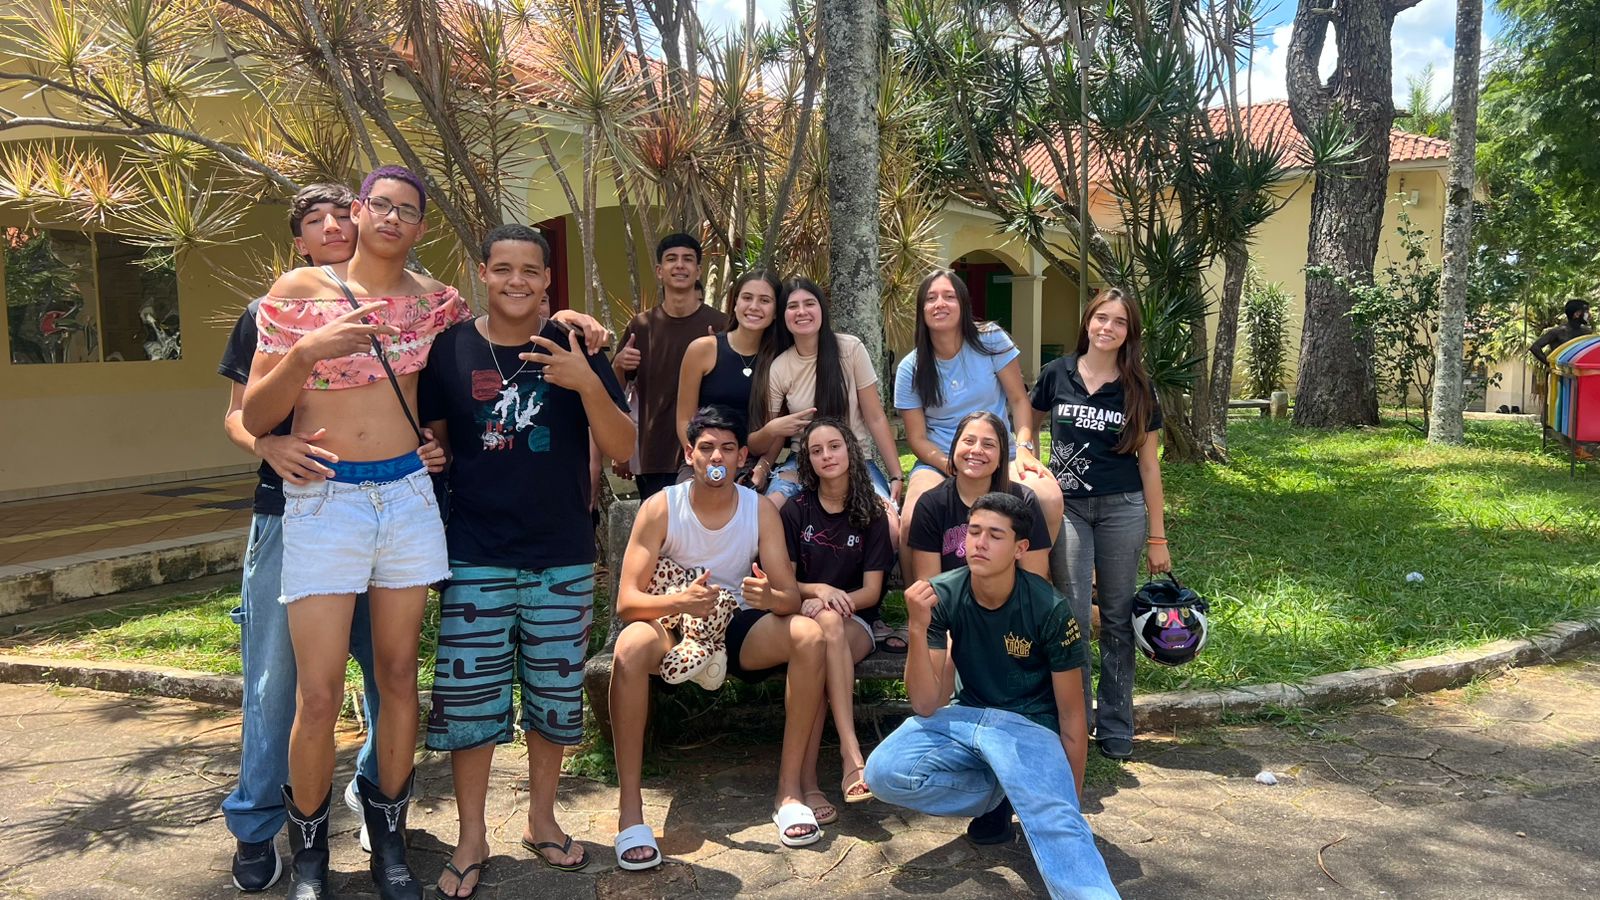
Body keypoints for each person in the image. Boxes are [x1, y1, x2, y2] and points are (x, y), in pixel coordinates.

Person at [243, 165, 469, 899]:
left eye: (409, 210)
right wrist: (308, 351)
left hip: (405, 495)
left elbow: (494, 342)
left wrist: (580, 327)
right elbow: (255, 416)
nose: (393, 218)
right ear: (359, 211)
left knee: (399, 679)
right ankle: (309, 856)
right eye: (382, 205)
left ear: (422, 226)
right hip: (324, 499)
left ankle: (390, 844)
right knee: (317, 694)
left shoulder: (436, 301)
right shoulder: (297, 292)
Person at [419, 224, 629, 897]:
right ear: (483, 272)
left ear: (547, 280)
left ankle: (542, 818)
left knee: (553, 697)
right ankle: (471, 836)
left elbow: (625, 446)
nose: (517, 281)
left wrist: (584, 381)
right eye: (503, 268)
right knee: (470, 703)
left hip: (561, 553)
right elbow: (438, 442)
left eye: (530, 270)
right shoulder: (451, 348)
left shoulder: (576, 343)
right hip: (474, 552)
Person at [864, 492, 1119, 900]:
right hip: (966, 718)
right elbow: (926, 704)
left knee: (1056, 825)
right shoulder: (943, 594)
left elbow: (1072, 714)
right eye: (974, 531)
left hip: (1028, 727)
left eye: (995, 535)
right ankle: (1000, 794)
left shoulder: (1049, 608)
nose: (979, 543)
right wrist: (916, 627)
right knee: (883, 772)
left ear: (1020, 548)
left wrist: (1067, 802)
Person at [608, 407, 825, 869]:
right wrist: (681, 602)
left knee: (808, 635)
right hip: (672, 622)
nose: (716, 457)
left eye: (727, 448)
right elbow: (627, 602)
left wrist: (770, 596)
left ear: (743, 456)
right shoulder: (662, 506)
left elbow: (788, 596)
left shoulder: (758, 509)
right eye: (706, 448)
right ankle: (630, 813)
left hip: (738, 622)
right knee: (628, 647)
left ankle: (788, 793)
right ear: (690, 454)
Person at [1025, 288, 1170, 762]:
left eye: (1119, 322)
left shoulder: (1139, 388)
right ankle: (1075, 720)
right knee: (1070, 615)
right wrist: (1026, 451)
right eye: (1101, 318)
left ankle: (1115, 723)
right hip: (1067, 508)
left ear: (1130, 332)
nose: (1108, 328)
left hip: (1121, 508)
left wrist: (1158, 536)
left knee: (1116, 615)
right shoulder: (1057, 373)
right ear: (1087, 322)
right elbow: (1028, 418)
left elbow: (1149, 466)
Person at [780, 418, 896, 824]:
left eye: (834, 446)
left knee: (830, 627)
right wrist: (818, 592)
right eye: (816, 450)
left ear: (850, 451)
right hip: (808, 620)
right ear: (808, 461)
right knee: (823, 636)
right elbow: (787, 582)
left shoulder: (871, 513)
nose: (826, 456)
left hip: (856, 623)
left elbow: (871, 592)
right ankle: (847, 759)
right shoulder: (796, 510)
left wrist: (832, 602)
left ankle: (821, 773)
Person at [894, 269, 1063, 550]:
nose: (940, 304)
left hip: (1001, 455)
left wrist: (1024, 448)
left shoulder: (991, 339)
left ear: (963, 304)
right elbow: (917, 439)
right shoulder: (910, 367)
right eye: (931, 298)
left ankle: (1032, 571)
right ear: (921, 310)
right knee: (911, 519)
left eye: (949, 296)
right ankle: (923, 579)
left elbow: (1019, 400)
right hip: (942, 460)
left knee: (1048, 498)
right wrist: (952, 465)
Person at [761, 278, 905, 528]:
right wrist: (763, 468)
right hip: (803, 461)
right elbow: (775, 431)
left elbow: (875, 416)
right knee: (768, 512)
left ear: (822, 309)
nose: (802, 311)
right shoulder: (780, 367)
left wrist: (896, 474)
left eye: (809, 303)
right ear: (783, 315)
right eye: (792, 306)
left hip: (857, 459)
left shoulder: (850, 349)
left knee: (891, 526)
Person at [613, 233, 724, 499]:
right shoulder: (641, 326)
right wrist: (618, 365)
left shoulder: (721, 324)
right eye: (672, 259)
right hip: (655, 455)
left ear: (698, 270)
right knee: (659, 526)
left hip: (709, 451)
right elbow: (614, 394)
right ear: (659, 271)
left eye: (688, 259)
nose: (680, 265)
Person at [905, 411, 1053, 583]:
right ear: (954, 447)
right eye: (969, 441)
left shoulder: (1024, 501)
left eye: (988, 444)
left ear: (1001, 457)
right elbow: (929, 585)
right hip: (950, 600)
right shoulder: (931, 505)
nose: (976, 450)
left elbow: (1035, 582)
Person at [675, 269, 784, 474]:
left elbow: (778, 428)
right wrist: (697, 458)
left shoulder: (781, 359)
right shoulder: (702, 349)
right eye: (747, 298)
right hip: (703, 458)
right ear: (735, 303)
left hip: (751, 464)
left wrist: (762, 468)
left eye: (764, 300)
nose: (754, 306)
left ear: (777, 311)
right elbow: (684, 419)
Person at [1531, 298, 1593, 366]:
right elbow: (1535, 347)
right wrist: (1551, 364)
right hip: (1561, 372)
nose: (1590, 315)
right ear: (1577, 314)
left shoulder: (1587, 332)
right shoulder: (1558, 332)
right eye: (1586, 312)